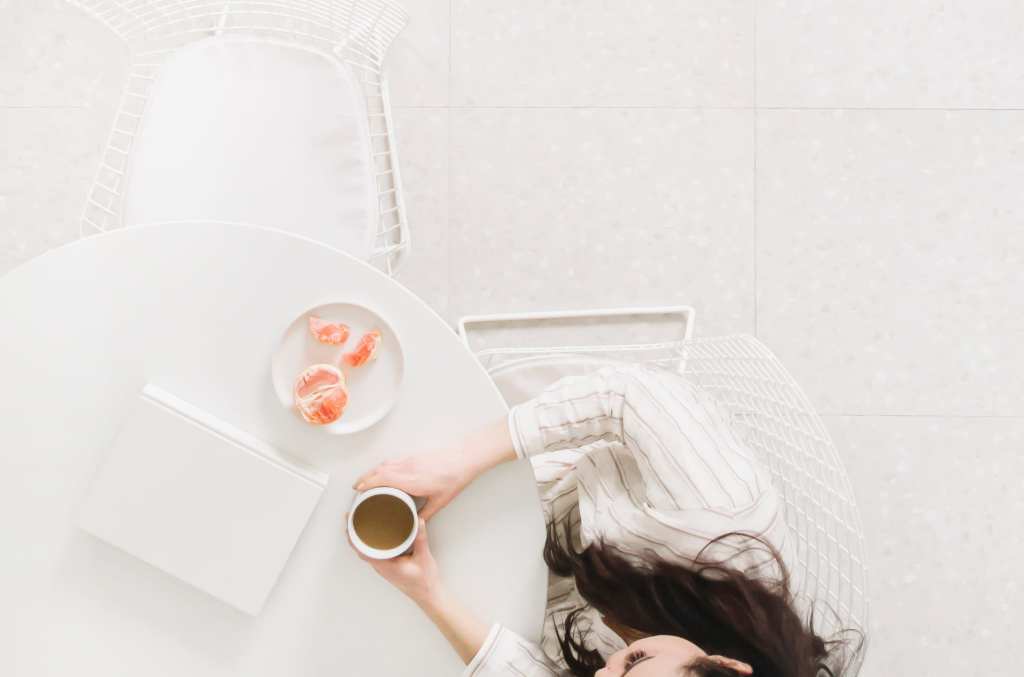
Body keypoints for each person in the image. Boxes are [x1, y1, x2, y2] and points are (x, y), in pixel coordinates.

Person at [350, 365, 856, 676]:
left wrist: (428, 592)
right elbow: (630, 398)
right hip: (532, 486)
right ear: (725, 665)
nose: (601, 675)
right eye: (635, 662)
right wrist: (458, 462)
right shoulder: (722, 516)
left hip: (502, 581)